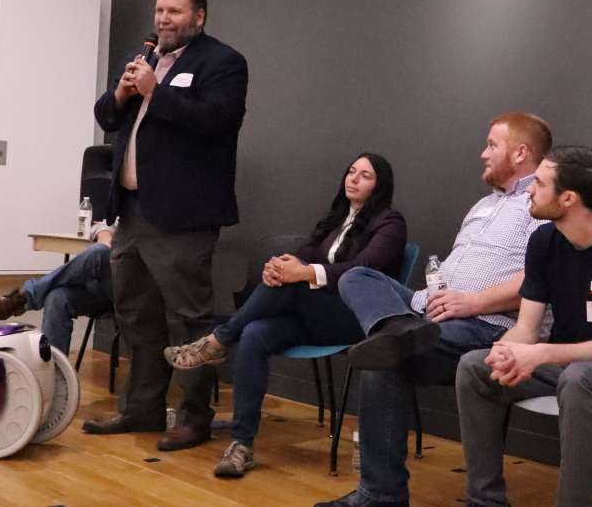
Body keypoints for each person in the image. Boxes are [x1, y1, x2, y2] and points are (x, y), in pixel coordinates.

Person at [314, 112, 552, 507]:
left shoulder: (539, 203)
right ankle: (399, 329)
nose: (483, 153)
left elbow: (540, 278)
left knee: (384, 356)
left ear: (521, 152)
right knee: (357, 279)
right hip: (429, 311)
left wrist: (472, 301)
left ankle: (380, 496)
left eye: (492, 145)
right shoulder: (482, 205)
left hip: (486, 325)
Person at [455, 146, 592, 507]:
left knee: (579, 379)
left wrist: (539, 353)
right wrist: (506, 351)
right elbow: (527, 329)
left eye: (540, 183)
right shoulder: (543, 241)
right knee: (474, 366)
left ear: (568, 198)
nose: (529, 189)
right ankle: (484, 500)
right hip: (566, 364)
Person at [162, 153, 408, 478]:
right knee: (256, 334)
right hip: (315, 315)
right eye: (351, 171)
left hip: (356, 321)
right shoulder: (337, 219)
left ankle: (218, 340)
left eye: (365, 175)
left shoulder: (390, 223)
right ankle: (242, 444)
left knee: (292, 285)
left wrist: (302, 273)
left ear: (380, 185)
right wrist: (278, 267)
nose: (354, 179)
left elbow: (361, 270)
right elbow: (304, 254)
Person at [82, 0, 248, 452]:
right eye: (159, 10)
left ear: (199, 16)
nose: (162, 20)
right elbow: (108, 118)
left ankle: (195, 417)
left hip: (182, 218)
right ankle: (142, 408)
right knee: (135, 315)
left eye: (173, 12)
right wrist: (122, 93)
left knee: (188, 321)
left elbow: (216, 121)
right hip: (132, 212)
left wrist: (156, 93)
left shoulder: (223, 63)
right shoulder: (147, 59)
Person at [0, 221, 115, 355]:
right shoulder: (129, 206)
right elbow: (108, 224)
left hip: (130, 295)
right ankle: (54, 372)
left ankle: (24, 298)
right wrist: (105, 231)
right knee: (57, 297)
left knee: (99, 252)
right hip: (106, 290)